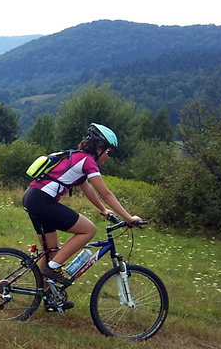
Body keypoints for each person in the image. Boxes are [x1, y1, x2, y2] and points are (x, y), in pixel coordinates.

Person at [21, 123, 142, 310]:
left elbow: (87, 188)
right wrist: (128, 218)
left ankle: (50, 298)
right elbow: (106, 193)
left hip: (33, 197)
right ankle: (53, 268)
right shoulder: (87, 161)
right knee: (89, 229)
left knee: (51, 250)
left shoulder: (76, 157)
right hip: (43, 200)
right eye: (109, 152)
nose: (109, 157)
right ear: (99, 148)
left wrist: (103, 210)